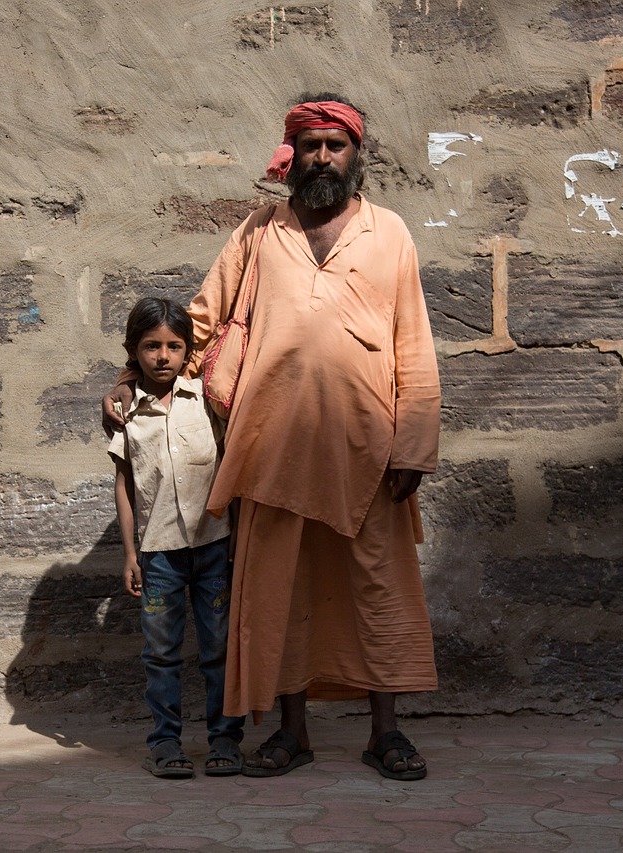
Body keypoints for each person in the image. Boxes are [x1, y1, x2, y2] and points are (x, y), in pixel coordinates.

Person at [105, 94, 440, 781]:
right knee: (281, 594)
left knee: (380, 589)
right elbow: (200, 319)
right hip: (270, 451)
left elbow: (415, 342)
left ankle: (386, 732)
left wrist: (412, 445)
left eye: (335, 145)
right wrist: (126, 379)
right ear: (293, 156)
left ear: (357, 156)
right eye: (311, 144)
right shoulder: (260, 233)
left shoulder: (390, 233)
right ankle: (293, 733)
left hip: (369, 451)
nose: (323, 157)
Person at [109, 297, 245, 778]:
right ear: (133, 351)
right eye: (150, 346)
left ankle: (225, 740)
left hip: (214, 545)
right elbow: (124, 487)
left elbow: (231, 462)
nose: (162, 356)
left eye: (173, 346)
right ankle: (166, 744)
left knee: (219, 648)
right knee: (161, 654)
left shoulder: (205, 401)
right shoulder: (127, 415)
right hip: (158, 554)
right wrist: (130, 554)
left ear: (188, 352)